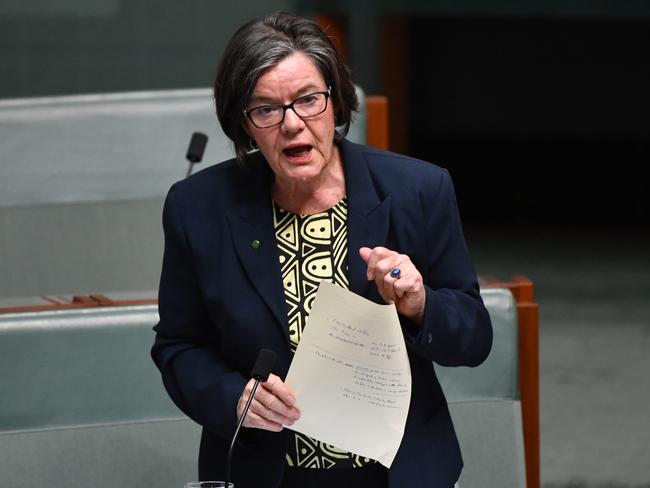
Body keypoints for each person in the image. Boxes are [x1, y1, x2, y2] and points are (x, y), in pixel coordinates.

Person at [151, 12, 492, 488]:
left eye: (308, 100)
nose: (292, 124)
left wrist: (421, 304)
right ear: (245, 124)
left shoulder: (418, 189)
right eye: (266, 109)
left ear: (335, 102)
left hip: (398, 472)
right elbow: (179, 346)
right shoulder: (198, 208)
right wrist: (233, 397)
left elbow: (474, 338)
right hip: (265, 472)